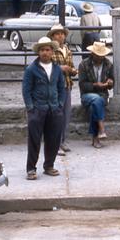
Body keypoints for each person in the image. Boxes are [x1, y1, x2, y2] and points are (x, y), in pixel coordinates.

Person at [22, 37, 65, 180]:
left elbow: (61, 88)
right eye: (42, 50)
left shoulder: (57, 69)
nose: (45, 53)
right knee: (34, 140)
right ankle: (31, 169)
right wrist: (30, 108)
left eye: (47, 50)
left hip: (54, 109)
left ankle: (49, 166)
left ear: (52, 51)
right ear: (38, 52)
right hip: (37, 109)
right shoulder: (31, 69)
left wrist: (60, 104)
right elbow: (26, 90)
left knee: (53, 139)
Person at [79, 41, 114, 149]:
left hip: (102, 94)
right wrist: (95, 85)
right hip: (87, 95)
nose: (100, 58)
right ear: (93, 54)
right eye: (98, 55)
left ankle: (95, 137)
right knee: (96, 100)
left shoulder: (108, 64)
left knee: (95, 105)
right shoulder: (84, 64)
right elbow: (82, 85)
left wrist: (110, 82)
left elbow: (112, 83)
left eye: (102, 55)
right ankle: (101, 130)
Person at [48, 24, 77, 155]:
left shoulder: (67, 50)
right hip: (56, 87)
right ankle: (55, 143)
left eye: (62, 34)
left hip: (67, 84)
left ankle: (62, 140)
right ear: (53, 36)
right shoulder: (51, 51)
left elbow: (71, 67)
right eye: (57, 34)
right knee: (57, 115)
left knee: (66, 115)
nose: (60, 36)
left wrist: (72, 70)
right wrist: (61, 68)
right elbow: (48, 67)